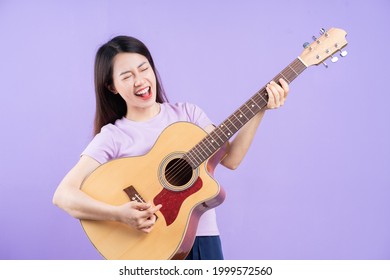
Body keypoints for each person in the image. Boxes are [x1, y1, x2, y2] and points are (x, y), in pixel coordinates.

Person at [52, 35, 289, 260]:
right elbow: (63, 195)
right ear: (112, 87)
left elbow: (231, 159)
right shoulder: (113, 136)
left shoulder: (187, 114)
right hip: (150, 248)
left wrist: (261, 109)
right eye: (126, 76)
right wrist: (120, 215)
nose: (140, 80)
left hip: (203, 241)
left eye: (144, 68)